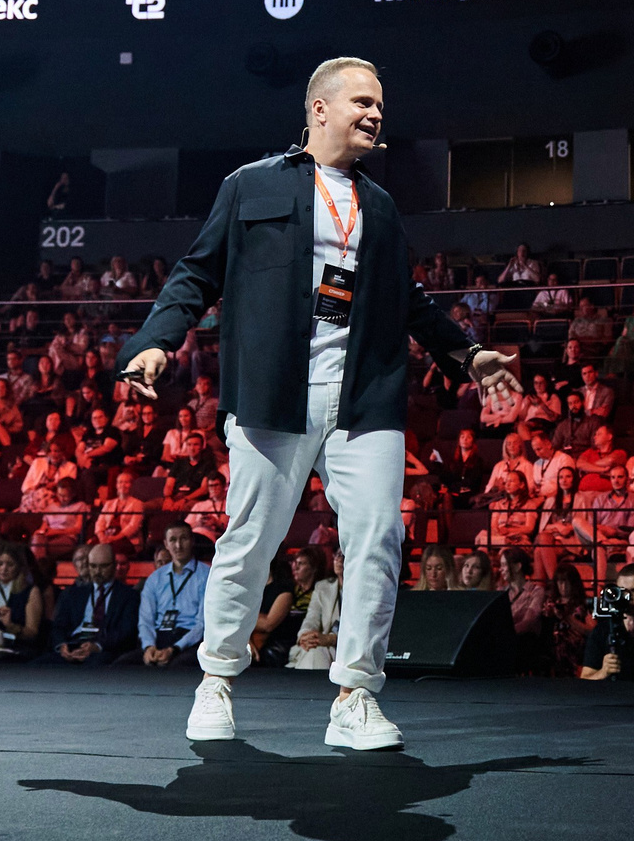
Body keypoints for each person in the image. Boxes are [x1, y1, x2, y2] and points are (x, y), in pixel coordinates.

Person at [114, 56, 513, 752]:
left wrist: (465, 353)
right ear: (320, 109)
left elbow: (409, 300)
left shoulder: (381, 206)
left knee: (377, 541)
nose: (376, 114)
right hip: (272, 394)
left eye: (380, 105)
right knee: (249, 540)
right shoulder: (250, 185)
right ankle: (216, 680)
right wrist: (156, 342)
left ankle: (356, 695)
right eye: (362, 101)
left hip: (365, 395)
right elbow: (196, 272)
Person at [46, 543, 142, 666]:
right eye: (93, 566)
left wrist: (97, 646)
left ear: (113, 565)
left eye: (103, 566)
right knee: (38, 666)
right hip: (74, 643)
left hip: (104, 649)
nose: (97, 571)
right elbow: (58, 626)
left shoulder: (129, 596)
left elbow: (126, 632)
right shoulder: (73, 594)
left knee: (97, 664)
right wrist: (62, 646)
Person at [137, 526, 208, 668]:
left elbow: (202, 624)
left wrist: (175, 648)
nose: (178, 545)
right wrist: (149, 646)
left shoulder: (207, 575)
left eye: (184, 539)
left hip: (190, 641)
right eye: (173, 540)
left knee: (175, 666)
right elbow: (146, 620)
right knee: (122, 665)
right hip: (159, 637)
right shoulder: (155, 578)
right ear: (166, 544)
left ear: (192, 541)